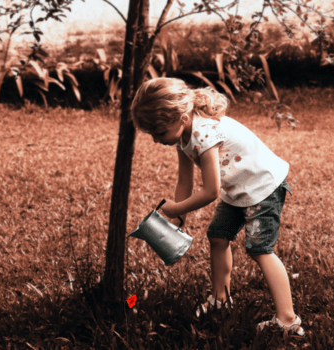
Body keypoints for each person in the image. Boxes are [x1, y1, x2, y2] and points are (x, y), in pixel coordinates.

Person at [130, 77, 304, 336]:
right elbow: (184, 181)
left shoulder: (204, 133)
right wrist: (179, 215)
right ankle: (220, 300)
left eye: (159, 132)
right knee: (218, 237)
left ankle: (288, 320)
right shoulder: (183, 134)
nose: (156, 140)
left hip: (262, 188)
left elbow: (211, 191)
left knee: (260, 249)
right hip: (239, 189)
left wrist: (176, 209)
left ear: (182, 118)